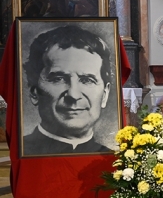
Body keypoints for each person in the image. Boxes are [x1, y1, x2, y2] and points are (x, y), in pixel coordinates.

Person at [22, 25, 113, 155]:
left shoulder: (114, 160)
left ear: (105, 95)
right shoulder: (23, 152)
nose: (73, 95)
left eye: (87, 80)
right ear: (34, 92)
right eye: (58, 79)